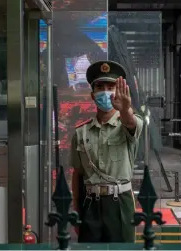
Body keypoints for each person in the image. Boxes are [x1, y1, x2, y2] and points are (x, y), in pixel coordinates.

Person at [70, 60, 144, 243]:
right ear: (93, 95)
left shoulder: (128, 124)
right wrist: (77, 208)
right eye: (100, 87)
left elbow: (130, 123)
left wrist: (125, 109)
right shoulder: (81, 132)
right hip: (90, 204)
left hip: (119, 202)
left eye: (111, 87)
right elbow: (78, 174)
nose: (105, 92)